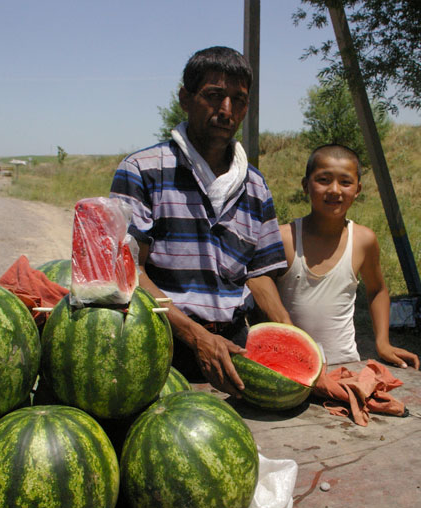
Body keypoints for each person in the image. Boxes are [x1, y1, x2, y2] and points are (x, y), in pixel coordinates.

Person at [110, 46, 291, 397]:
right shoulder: (142, 171)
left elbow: (260, 274)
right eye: (214, 96)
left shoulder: (255, 185)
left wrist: (290, 335)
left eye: (238, 100)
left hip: (235, 348)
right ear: (185, 98)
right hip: (163, 346)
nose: (226, 110)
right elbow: (129, 269)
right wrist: (196, 337)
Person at [276, 144, 419, 369]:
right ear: (305, 185)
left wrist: (383, 342)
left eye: (345, 182)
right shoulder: (284, 238)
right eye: (323, 180)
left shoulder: (363, 240)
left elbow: (377, 290)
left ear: (358, 189)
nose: (334, 190)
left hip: (345, 366)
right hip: (289, 367)